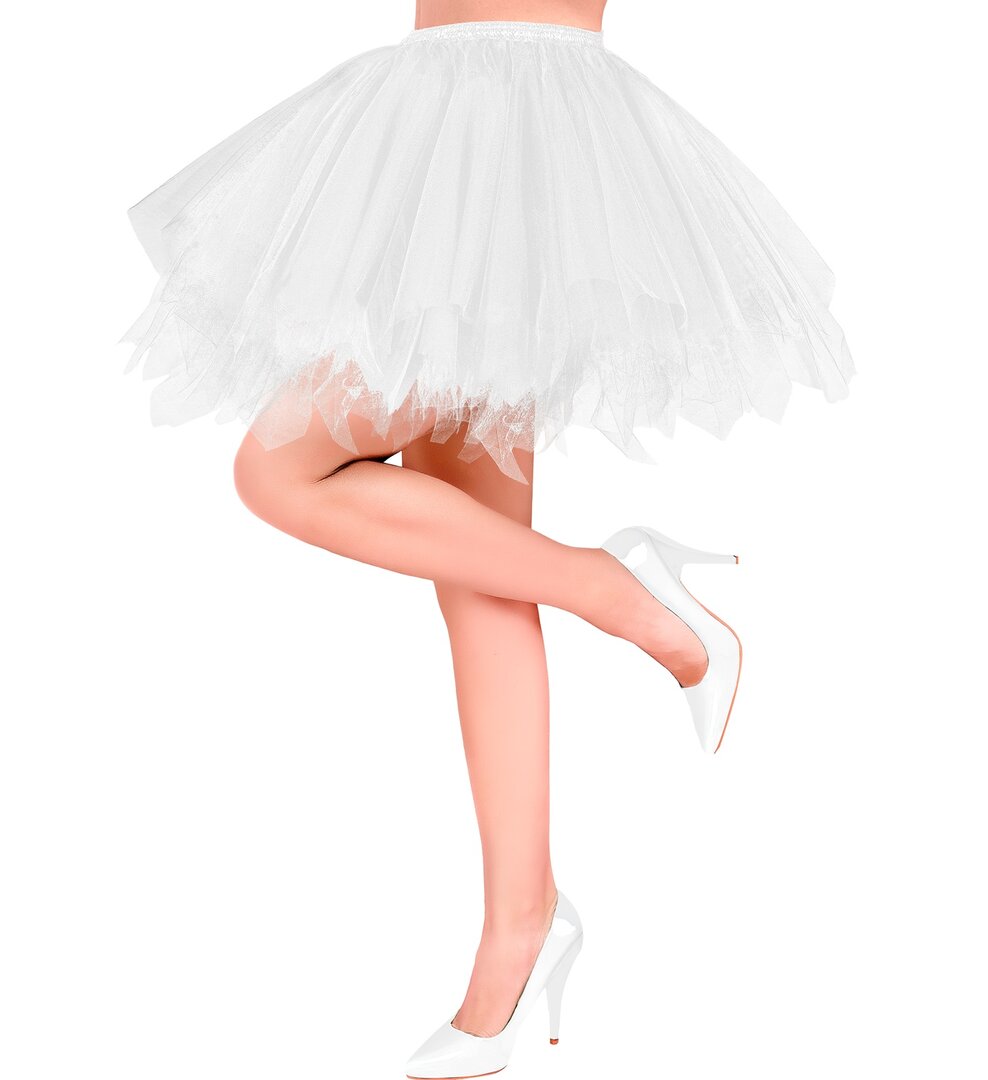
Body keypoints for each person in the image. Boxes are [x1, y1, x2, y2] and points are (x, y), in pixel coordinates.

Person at [120, 1, 853, 1075]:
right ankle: (521, 922)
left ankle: (617, 590)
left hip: (522, 124)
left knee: (281, 470)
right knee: (475, 574)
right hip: (433, 129)